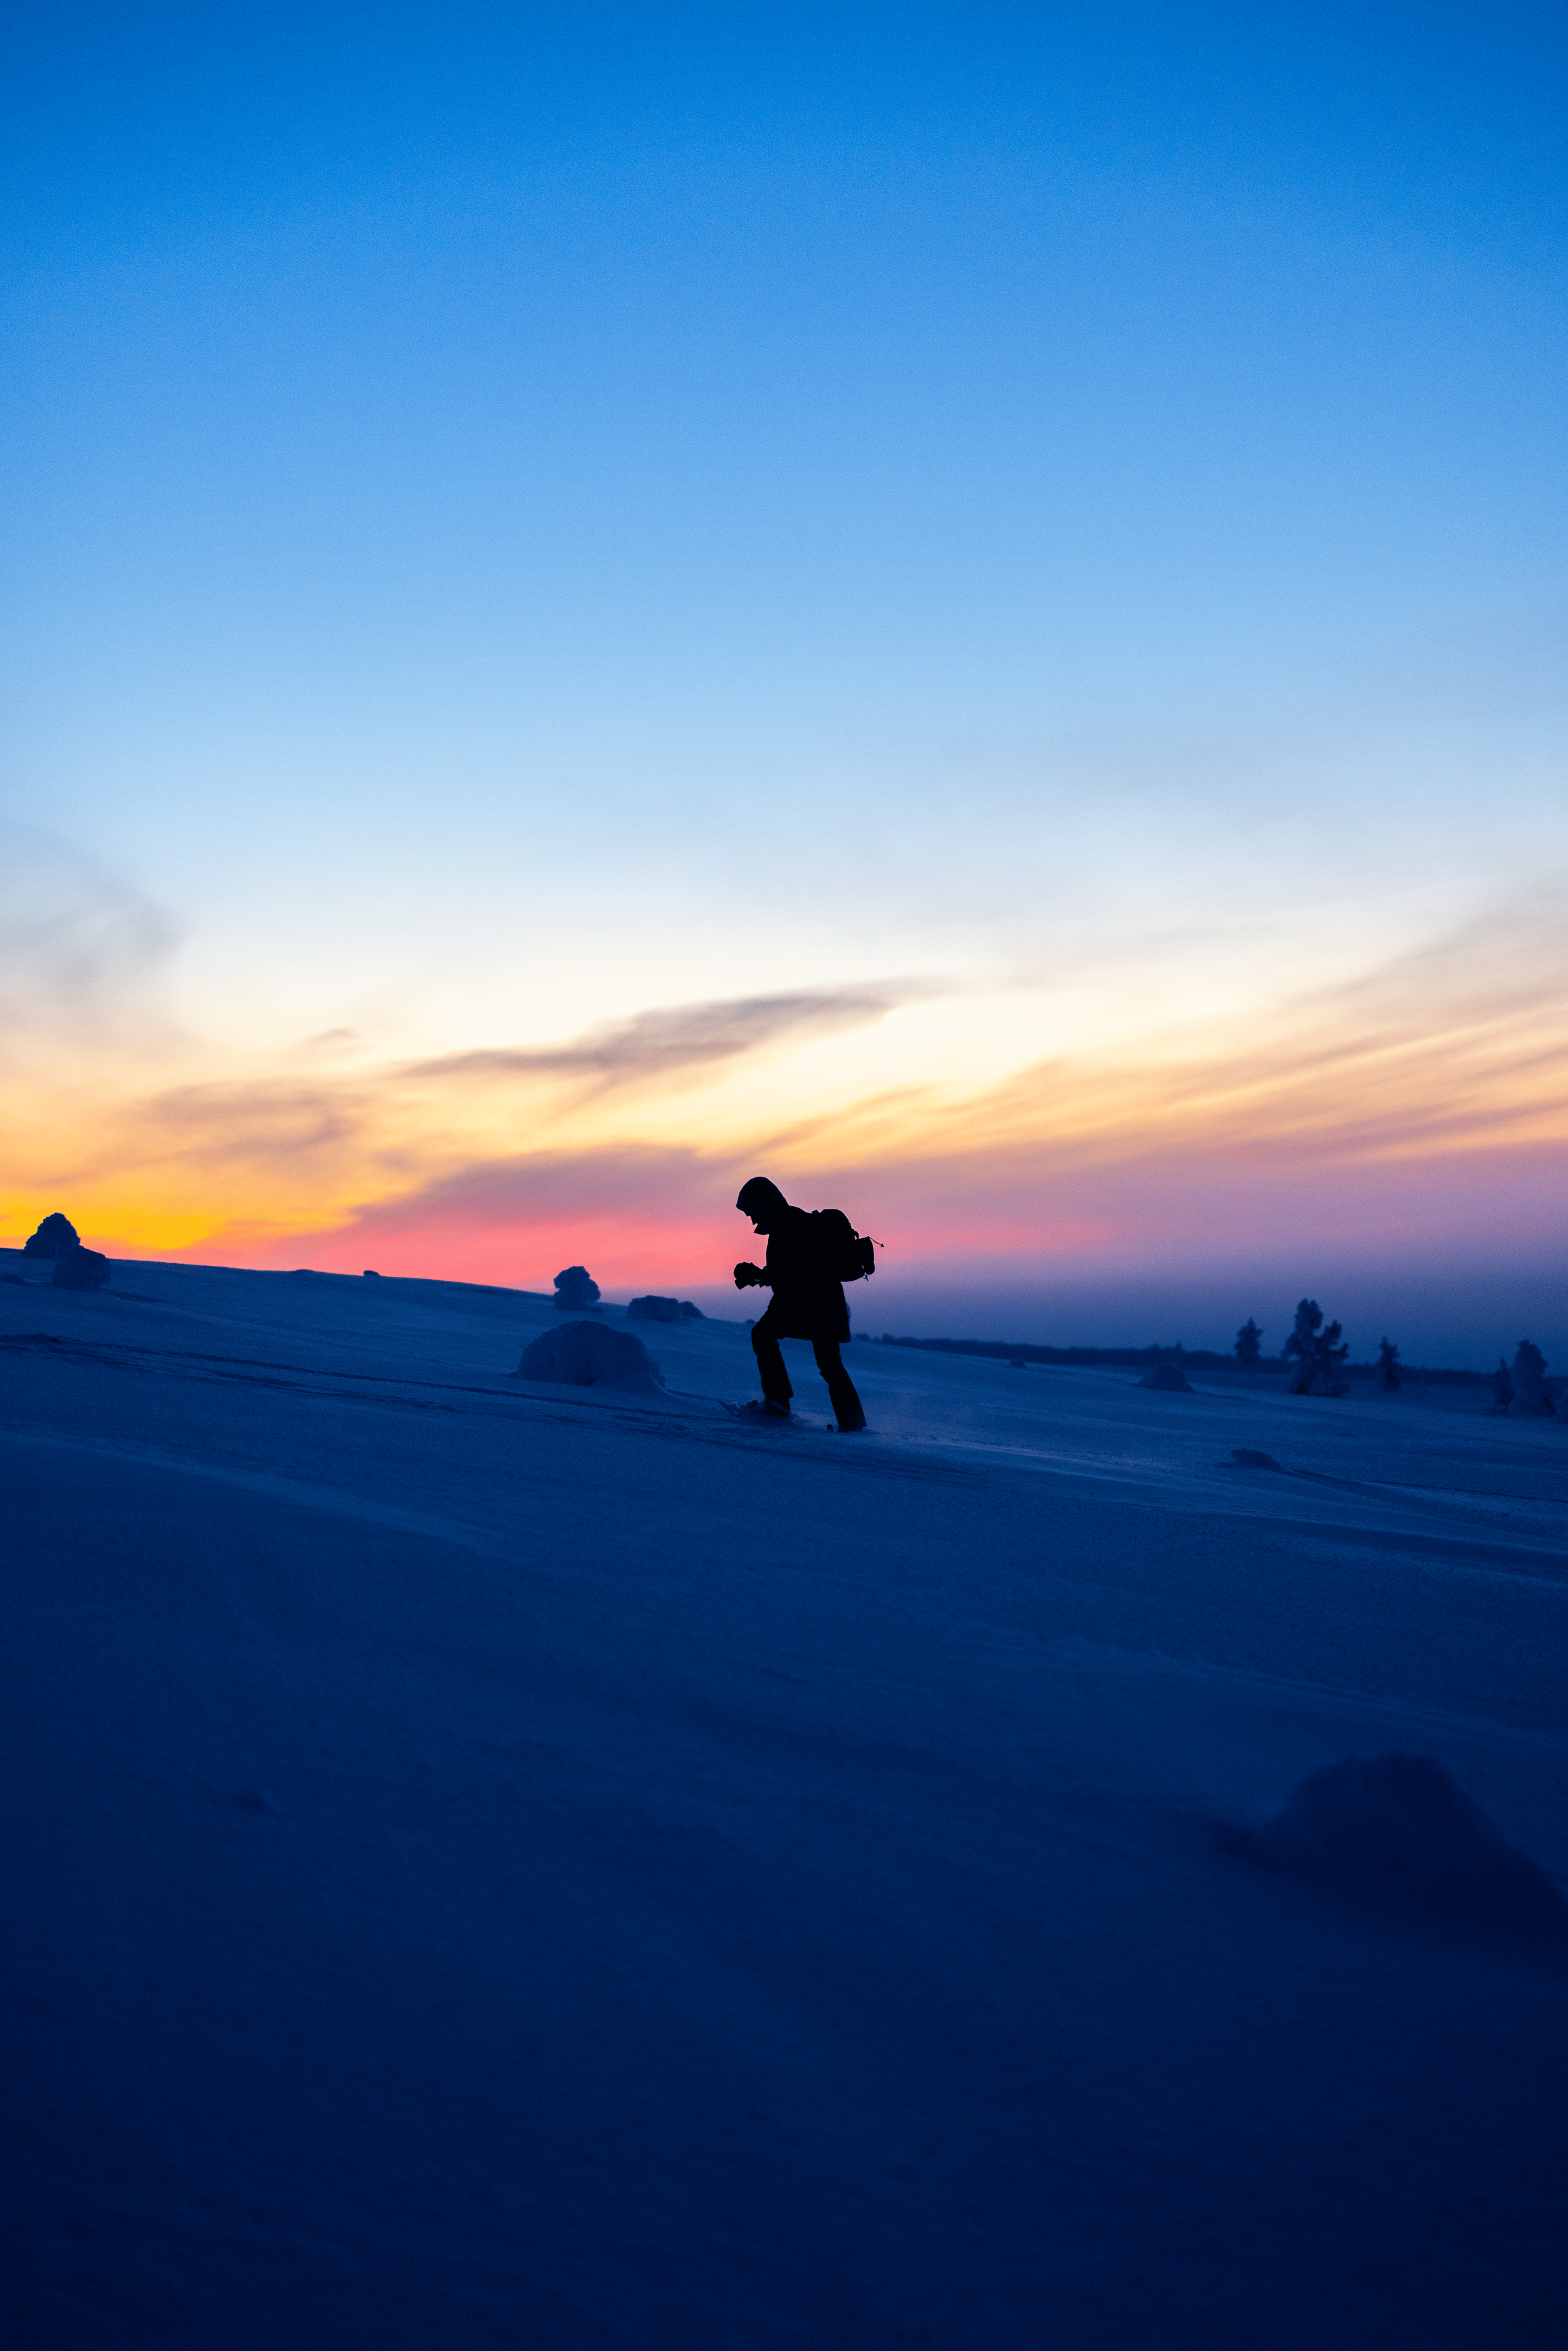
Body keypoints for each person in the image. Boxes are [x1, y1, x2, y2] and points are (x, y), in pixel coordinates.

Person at [733, 1176, 867, 1431]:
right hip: (821, 1306)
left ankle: (777, 1407)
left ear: (765, 1204)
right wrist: (759, 1274)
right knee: (829, 1364)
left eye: (752, 1212)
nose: (752, 1220)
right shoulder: (790, 1224)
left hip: (812, 1307)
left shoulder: (789, 1228)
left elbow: (796, 1273)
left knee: (763, 1336)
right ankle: (853, 1424)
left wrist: (764, 1275)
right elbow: (791, 1271)